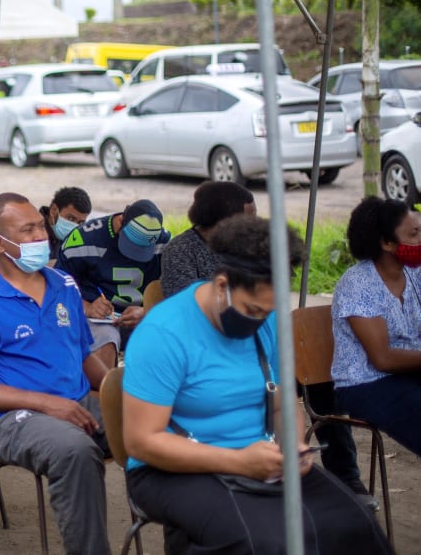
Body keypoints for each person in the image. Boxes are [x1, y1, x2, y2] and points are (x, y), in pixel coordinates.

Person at [123, 214, 391, 554]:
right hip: (167, 470)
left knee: (354, 524)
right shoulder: (163, 333)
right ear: (221, 285)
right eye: (252, 309)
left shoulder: (267, 321)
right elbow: (142, 441)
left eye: (269, 310)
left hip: (260, 459)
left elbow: (280, 402)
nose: (260, 320)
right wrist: (237, 461)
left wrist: (295, 446)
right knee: (259, 542)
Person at [0, 192, 111, 555]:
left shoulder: (64, 286)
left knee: (161, 424)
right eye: (28, 230)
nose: (41, 236)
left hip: (79, 404)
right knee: (75, 451)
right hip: (14, 420)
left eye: (40, 226)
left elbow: (83, 354)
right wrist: (47, 404)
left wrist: (126, 392)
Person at [332, 197, 421, 458]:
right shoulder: (358, 284)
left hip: (409, 372)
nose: (420, 240)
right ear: (386, 243)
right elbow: (382, 359)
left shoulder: (415, 273)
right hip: (366, 384)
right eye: (414, 234)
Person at [57, 199, 170, 369]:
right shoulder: (84, 239)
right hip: (97, 319)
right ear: (120, 221)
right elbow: (56, 287)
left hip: (142, 316)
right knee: (104, 341)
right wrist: (86, 307)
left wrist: (148, 311)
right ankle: (106, 393)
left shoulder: (165, 243)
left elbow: (176, 293)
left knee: (169, 345)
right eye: (130, 245)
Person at [161, 181, 255, 298]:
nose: (252, 226)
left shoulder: (245, 246)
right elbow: (186, 302)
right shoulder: (180, 250)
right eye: (247, 221)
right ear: (223, 221)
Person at [40, 186, 92, 262]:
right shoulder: (31, 233)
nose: (74, 226)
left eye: (80, 222)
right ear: (53, 211)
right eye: (71, 218)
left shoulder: (78, 237)